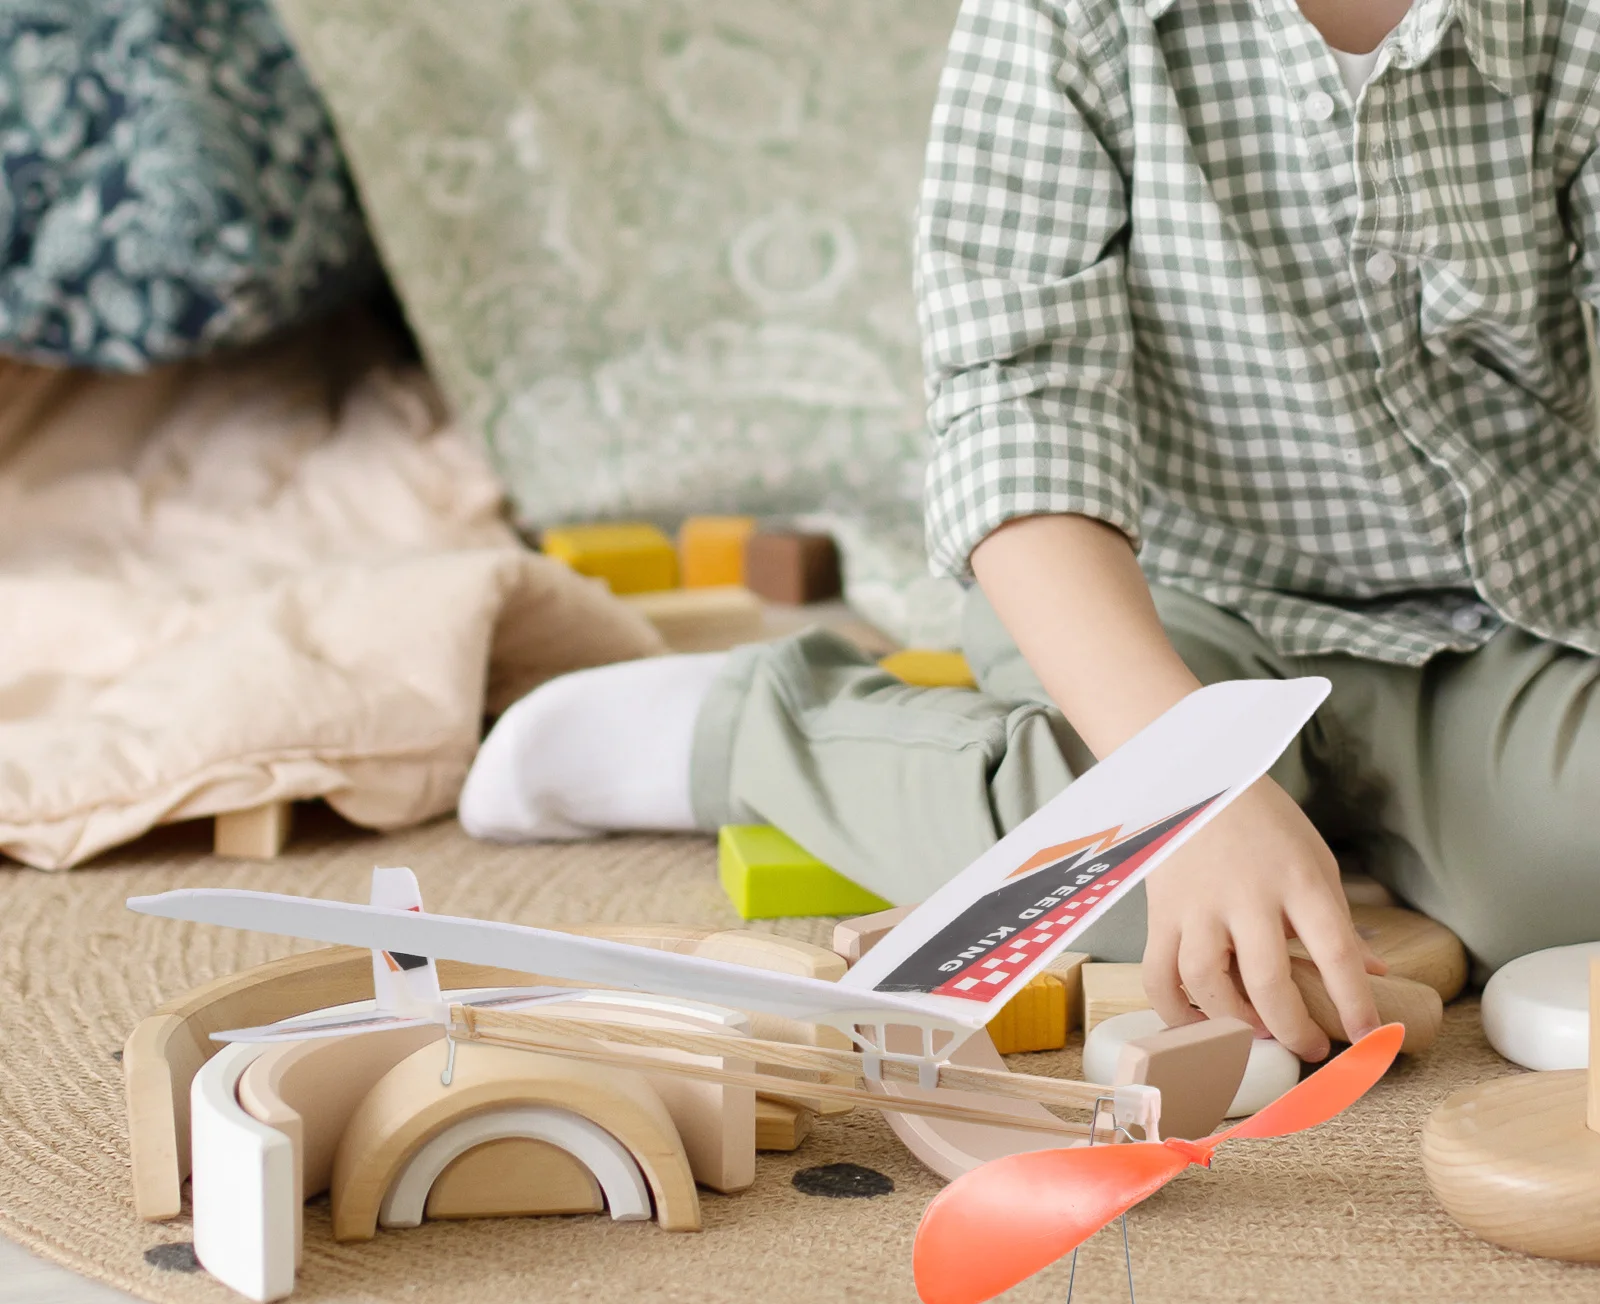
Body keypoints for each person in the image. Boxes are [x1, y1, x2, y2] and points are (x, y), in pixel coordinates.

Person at [461, 0, 1600, 1064]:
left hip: (1501, 610)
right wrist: (1183, 786)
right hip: (1167, 592)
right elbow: (1020, 407)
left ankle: (1320, 831)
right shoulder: (1066, 18)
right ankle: (754, 730)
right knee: (1095, 875)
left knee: (1569, 882)